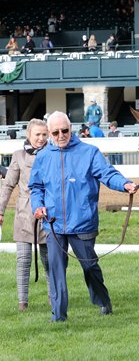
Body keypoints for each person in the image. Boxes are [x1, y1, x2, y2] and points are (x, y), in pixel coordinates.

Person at [29, 111, 138, 322]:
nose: (61, 135)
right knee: (56, 269)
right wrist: (38, 205)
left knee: (89, 266)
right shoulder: (42, 157)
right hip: (52, 223)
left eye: (65, 130)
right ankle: (58, 315)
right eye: (56, 132)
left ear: (72, 129)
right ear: (50, 133)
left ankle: (103, 300)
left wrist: (124, 184)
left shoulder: (89, 152)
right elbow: (36, 187)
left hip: (83, 222)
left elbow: (107, 174)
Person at [0, 119, 51, 312]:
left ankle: (53, 297)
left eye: (44, 134)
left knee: (49, 260)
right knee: (23, 260)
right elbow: (8, 185)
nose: (41, 138)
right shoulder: (18, 156)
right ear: (28, 135)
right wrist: (0, 211)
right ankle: (23, 302)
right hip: (23, 215)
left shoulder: (53, 154)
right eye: (37, 134)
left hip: (47, 215)